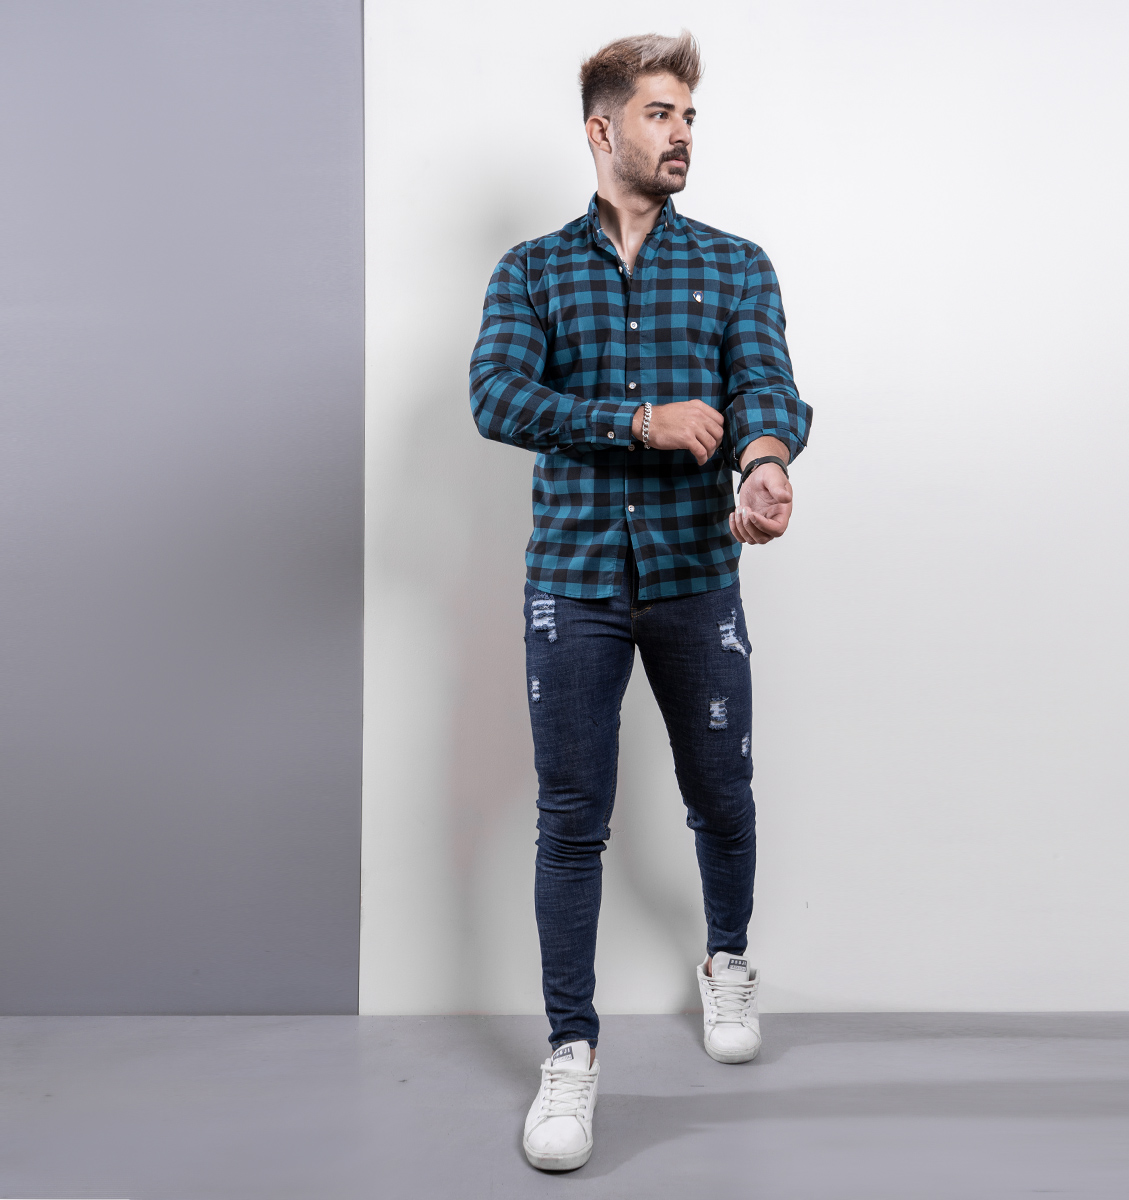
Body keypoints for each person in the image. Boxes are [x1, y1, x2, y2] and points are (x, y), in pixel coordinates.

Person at [469, 30, 811, 1172]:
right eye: (661, 113)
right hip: (571, 583)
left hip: (694, 575)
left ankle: (727, 957)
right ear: (601, 128)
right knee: (572, 818)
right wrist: (637, 422)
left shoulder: (735, 264)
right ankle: (570, 1052)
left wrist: (763, 464)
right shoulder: (531, 270)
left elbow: (766, 388)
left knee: (723, 792)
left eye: (690, 117)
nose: (682, 135)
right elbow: (496, 395)